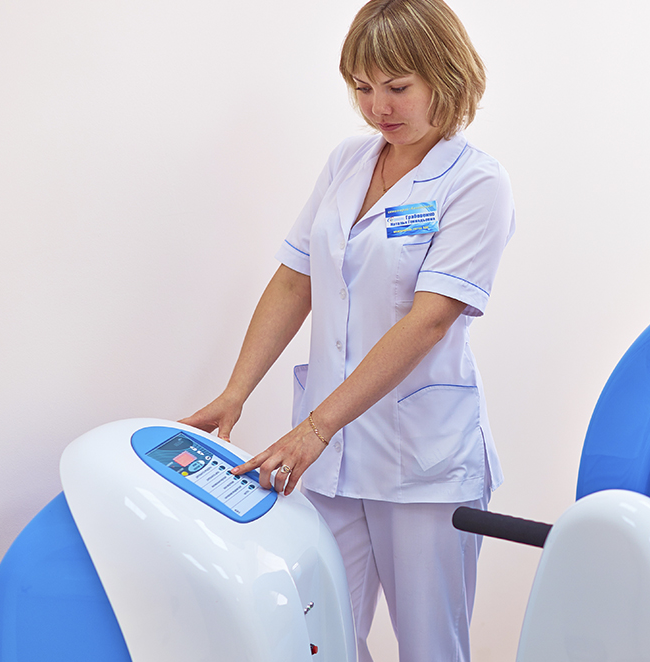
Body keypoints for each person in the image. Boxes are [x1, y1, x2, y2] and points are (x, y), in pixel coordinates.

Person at [181, 1, 514, 659]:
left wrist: (315, 427)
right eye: (362, 87)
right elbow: (295, 280)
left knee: (431, 648)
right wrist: (235, 393)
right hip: (331, 461)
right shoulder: (347, 162)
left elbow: (429, 321)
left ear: (445, 76)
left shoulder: (476, 183)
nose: (377, 107)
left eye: (397, 87)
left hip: (422, 463)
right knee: (319, 641)